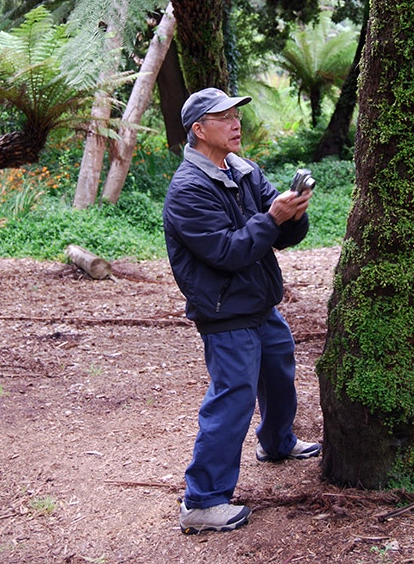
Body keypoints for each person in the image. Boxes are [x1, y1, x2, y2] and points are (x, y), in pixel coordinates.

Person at [163, 87, 321, 535]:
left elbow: (280, 237)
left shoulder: (244, 169)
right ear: (199, 130)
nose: (236, 124)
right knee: (233, 400)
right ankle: (202, 501)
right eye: (224, 117)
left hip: (260, 302)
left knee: (279, 373)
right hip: (224, 312)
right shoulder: (187, 191)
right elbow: (228, 252)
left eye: (237, 115)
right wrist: (271, 218)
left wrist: (294, 214)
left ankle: (276, 444)